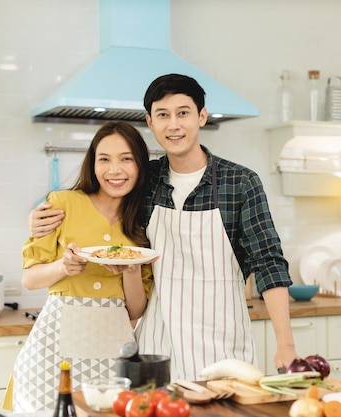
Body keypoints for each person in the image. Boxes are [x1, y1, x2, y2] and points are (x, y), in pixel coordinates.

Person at [29, 74, 299, 381]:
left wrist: (285, 343)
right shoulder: (146, 179)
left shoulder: (240, 183)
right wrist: (40, 217)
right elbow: (97, 201)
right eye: (163, 115)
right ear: (150, 122)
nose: (174, 125)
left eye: (183, 113)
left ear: (201, 116)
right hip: (158, 349)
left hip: (223, 349)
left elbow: (268, 263)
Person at [8, 121, 155, 412]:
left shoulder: (143, 221)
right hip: (53, 348)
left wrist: (131, 269)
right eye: (104, 159)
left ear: (140, 165)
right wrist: (64, 267)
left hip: (114, 347)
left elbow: (136, 311)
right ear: (93, 164)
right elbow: (31, 279)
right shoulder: (61, 204)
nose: (115, 170)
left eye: (126, 159)